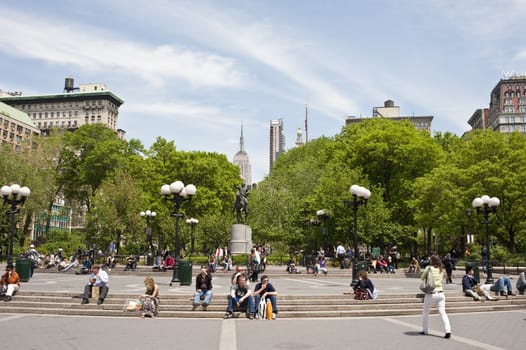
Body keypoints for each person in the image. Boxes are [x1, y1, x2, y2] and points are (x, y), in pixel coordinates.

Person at [420, 255, 451, 339]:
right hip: (441, 293)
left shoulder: (429, 268)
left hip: (431, 293)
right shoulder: (441, 269)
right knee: (443, 313)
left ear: (432, 261)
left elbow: (422, 277)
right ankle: (448, 331)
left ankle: (425, 330)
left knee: (426, 312)